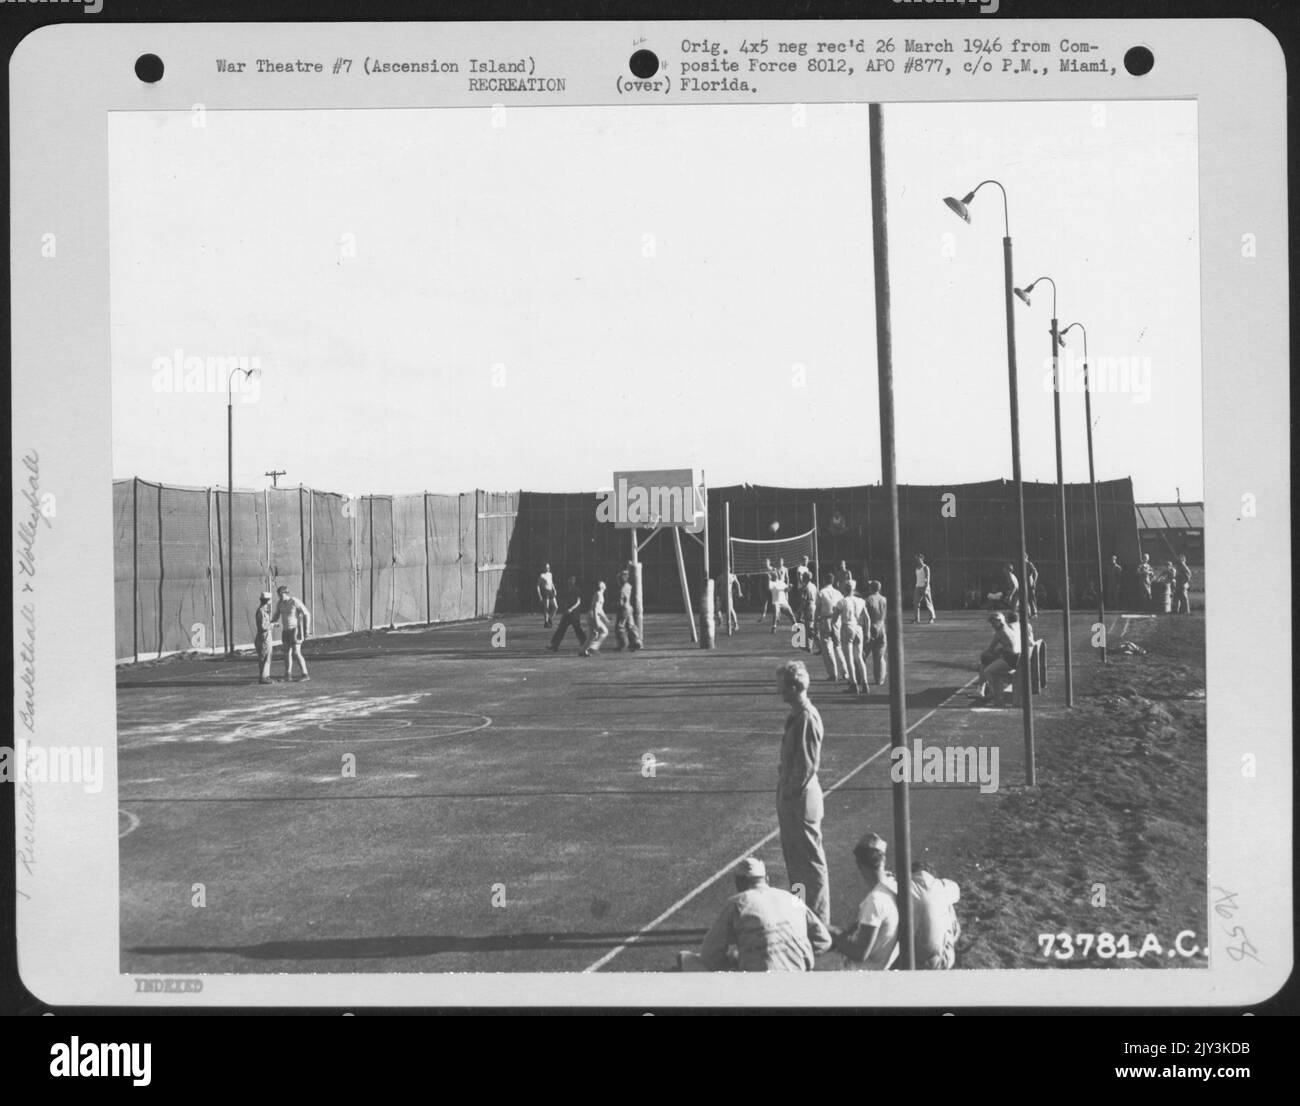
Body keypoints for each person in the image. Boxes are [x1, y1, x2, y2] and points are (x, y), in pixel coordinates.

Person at [679, 858, 833, 972]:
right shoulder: (792, 898)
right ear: (767, 879)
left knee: (684, 957)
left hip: (757, 982)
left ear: (738, 882)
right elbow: (824, 941)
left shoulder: (737, 903)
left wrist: (731, 964)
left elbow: (709, 954)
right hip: (798, 974)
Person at [775, 661, 830, 927]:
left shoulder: (806, 717)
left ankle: (818, 917)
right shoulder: (796, 715)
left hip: (801, 799)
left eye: (781, 685)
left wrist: (789, 792)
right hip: (791, 796)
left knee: (810, 861)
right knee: (794, 860)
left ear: (794, 687)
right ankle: (801, 910)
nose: (778, 691)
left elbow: (807, 765)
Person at [831, 832, 899, 971]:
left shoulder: (874, 901)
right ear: (883, 860)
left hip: (861, 970)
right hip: (883, 962)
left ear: (859, 864)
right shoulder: (893, 886)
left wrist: (831, 932)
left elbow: (859, 953)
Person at [909, 861, 962, 969]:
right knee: (948, 906)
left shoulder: (907, 886)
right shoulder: (943, 886)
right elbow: (956, 891)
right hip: (944, 959)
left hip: (915, 961)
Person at [977, 611, 1021, 706]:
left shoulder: (1000, 633)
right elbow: (1009, 645)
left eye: (993, 623)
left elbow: (990, 649)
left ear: (999, 621)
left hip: (1010, 661)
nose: (992, 625)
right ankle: (985, 690)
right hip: (1016, 658)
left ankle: (994, 693)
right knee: (986, 661)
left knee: (987, 670)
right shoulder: (1009, 628)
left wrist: (986, 655)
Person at [835, 578, 869, 695]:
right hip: (858, 628)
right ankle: (865, 683)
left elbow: (835, 618)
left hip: (847, 626)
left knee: (849, 658)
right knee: (859, 657)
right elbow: (867, 618)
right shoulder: (860, 601)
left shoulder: (842, 601)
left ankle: (854, 683)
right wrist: (867, 632)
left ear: (845, 589)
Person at [272, 585, 311, 681]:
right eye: (278, 595)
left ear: (286, 593)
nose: (280, 597)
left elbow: (306, 614)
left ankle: (305, 674)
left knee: (296, 653)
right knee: (286, 653)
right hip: (285, 631)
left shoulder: (294, 601)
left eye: (281, 595)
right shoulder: (279, 604)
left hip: (295, 630)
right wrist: (272, 622)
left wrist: (306, 630)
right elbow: (276, 616)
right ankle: (288, 675)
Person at [815, 572, 847, 682]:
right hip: (836, 620)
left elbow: (818, 609)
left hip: (825, 620)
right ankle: (845, 672)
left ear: (824, 581)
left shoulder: (822, 592)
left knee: (827, 648)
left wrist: (815, 622)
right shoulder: (838, 593)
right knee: (838, 647)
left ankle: (833, 674)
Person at [548, 575, 588, 652]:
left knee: (578, 630)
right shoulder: (566, 590)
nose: (571, 581)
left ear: (574, 581)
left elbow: (578, 602)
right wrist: (565, 608)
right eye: (570, 580)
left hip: (574, 614)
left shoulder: (577, 590)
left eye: (573, 580)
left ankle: (586, 644)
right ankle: (554, 645)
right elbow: (564, 600)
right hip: (566, 614)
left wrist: (571, 608)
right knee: (561, 629)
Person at [864, 579, 888, 686]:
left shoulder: (868, 599)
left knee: (862, 654)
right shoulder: (884, 599)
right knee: (879, 656)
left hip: (871, 627)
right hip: (882, 626)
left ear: (871, 588)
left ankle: (860, 677)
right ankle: (880, 679)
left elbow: (865, 616)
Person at [614, 569, 642, 650]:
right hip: (629, 607)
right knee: (631, 625)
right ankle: (636, 641)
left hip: (623, 608)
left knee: (619, 627)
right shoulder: (629, 586)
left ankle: (622, 644)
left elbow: (621, 601)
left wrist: (617, 605)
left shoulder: (622, 589)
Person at [580, 580, 610, 656]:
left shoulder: (600, 594)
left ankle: (582, 651)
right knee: (604, 631)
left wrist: (605, 618)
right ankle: (594, 647)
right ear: (603, 586)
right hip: (593, 615)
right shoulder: (599, 595)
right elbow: (595, 608)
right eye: (603, 584)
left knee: (591, 636)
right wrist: (596, 620)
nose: (605, 585)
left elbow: (600, 609)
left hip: (591, 615)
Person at [254, 591, 275, 684]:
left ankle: (265, 676)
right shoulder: (262, 611)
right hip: (264, 637)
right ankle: (264, 677)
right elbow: (263, 627)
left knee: (266, 656)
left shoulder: (263, 610)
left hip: (264, 636)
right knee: (265, 656)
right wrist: (272, 625)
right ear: (268, 600)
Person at [913, 554, 937, 624]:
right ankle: (917, 619)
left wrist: (926, 587)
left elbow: (927, 578)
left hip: (925, 587)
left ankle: (931, 618)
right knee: (915, 603)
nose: (917, 560)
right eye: (916, 559)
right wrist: (917, 586)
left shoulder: (926, 567)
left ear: (922, 559)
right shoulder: (916, 568)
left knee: (928, 603)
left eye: (919, 559)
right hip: (917, 587)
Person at [798, 574, 818, 653]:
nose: (802, 578)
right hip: (814, 606)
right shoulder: (813, 586)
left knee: (809, 628)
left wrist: (800, 612)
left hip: (809, 607)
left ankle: (819, 643)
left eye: (803, 577)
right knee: (809, 627)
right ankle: (809, 646)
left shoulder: (806, 588)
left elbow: (804, 601)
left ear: (806, 578)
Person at [536, 563, 558, 628]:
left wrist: (554, 589)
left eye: (548, 567)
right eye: (546, 567)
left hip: (551, 591)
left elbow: (551, 582)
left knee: (556, 607)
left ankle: (550, 619)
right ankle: (546, 622)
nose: (547, 568)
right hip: (545, 592)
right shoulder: (542, 575)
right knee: (546, 608)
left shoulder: (550, 574)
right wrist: (539, 595)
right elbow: (537, 586)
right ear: (544, 568)